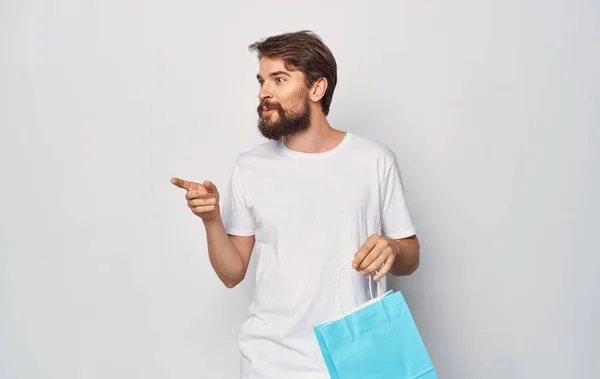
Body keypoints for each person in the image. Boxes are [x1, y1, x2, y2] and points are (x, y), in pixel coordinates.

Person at [171, 30, 420, 379]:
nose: (263, 93)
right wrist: (211, 218)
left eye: (279, 79)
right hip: (271, 361)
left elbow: (410, 257)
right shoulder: (249, 167)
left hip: (358, 358)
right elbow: (232, 274)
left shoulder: (374, 161)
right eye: (261, 81)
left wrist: (393, 247)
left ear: (317, 89)